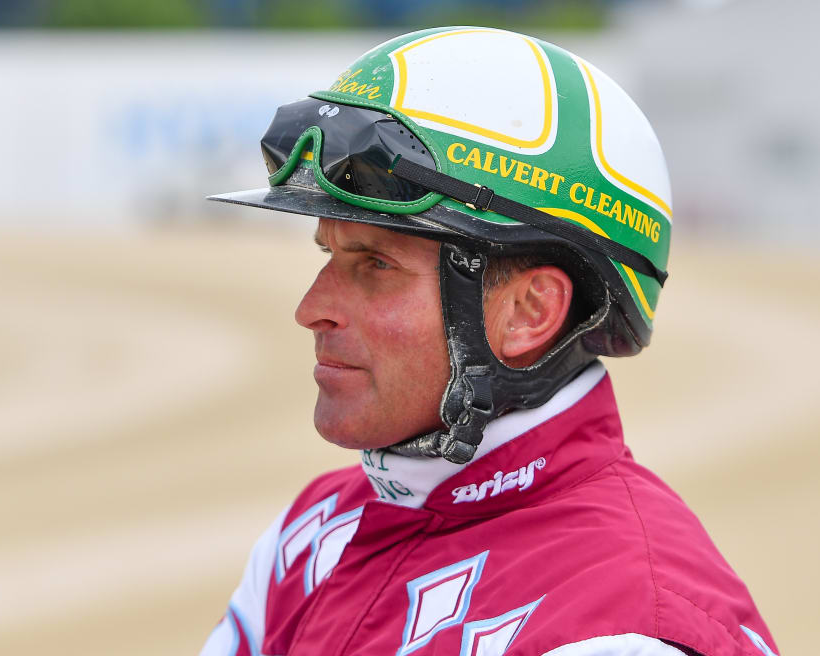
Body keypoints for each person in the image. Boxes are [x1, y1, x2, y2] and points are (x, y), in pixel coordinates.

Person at [200, 27, 779, 656]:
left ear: (530, 311)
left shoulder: (625, 631)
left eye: (375, 265)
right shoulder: (314, 531)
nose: (311, 311)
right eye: (328, 254)